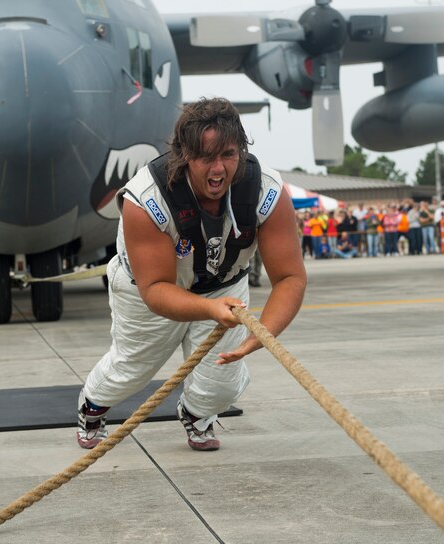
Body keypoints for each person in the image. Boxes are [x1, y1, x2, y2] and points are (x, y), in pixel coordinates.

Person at [75, 98, 306, 451]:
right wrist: (210, 310)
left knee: (221, 384)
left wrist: (261, 335)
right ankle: (92, 406)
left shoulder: (267, 192)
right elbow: (155, 289)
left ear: (242, 151)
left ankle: (196, 413)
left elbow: (290, 277)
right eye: (205, 157)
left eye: (228, 154)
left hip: (224, 285)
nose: (218, 168)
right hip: (148, 288)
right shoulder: (146, 199)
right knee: (133, 368)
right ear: (184, 155)